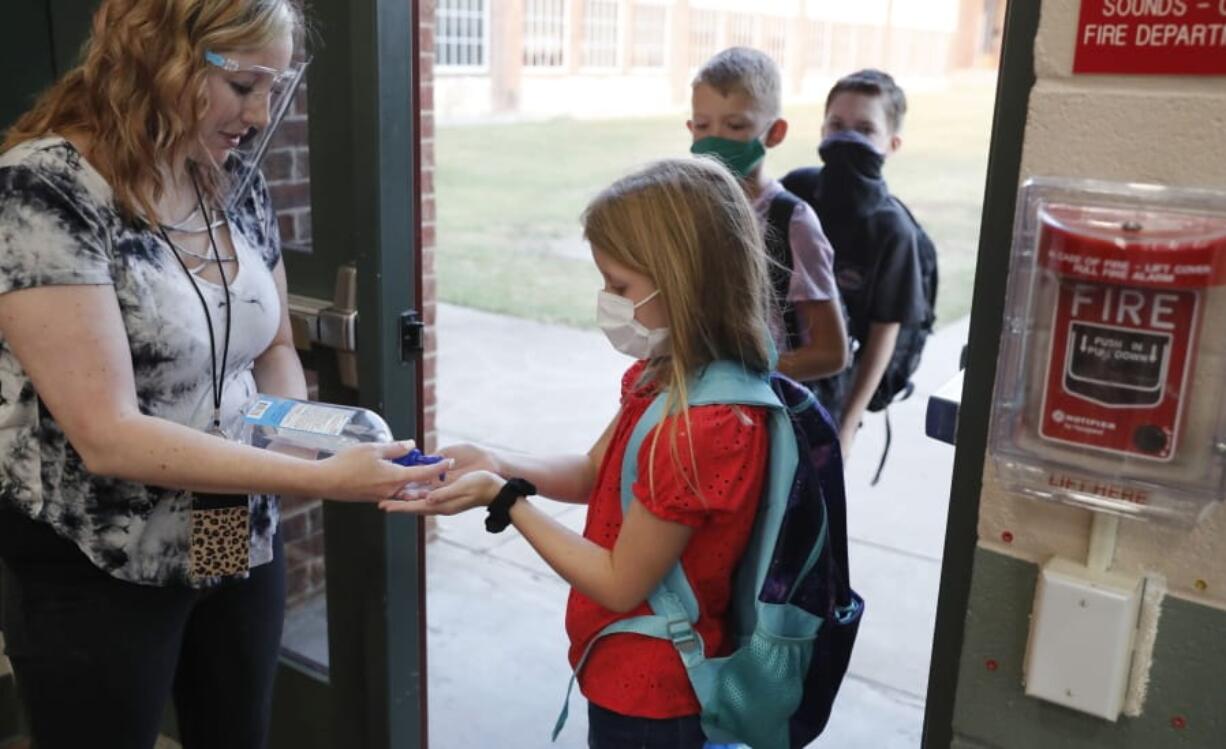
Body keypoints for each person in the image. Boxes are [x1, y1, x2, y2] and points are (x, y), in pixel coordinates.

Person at [0, 1, 440, 747]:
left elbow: (273, 348)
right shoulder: (43, 192)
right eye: (243, 85)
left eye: (276, 86)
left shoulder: (228, 181)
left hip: (225, 519)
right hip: (95, 553)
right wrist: (324, 480)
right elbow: (107, 435)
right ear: (159, 58)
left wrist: (297, 434)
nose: (261, 112)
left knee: (232, 723)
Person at [383, 158, 776, 749]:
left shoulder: (705, 428)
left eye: (620, 286)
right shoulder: (665, 377)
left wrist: (505, 500)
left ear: (686, 278)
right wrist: (498, 463)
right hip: (620, 667)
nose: (607, 300)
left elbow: (620, 583)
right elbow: (595, 472)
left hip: (657, 697)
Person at [782, 69, 928, 458]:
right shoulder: (795, 191)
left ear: (892, 144)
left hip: (830, 389)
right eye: (837, 125)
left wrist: (846, 426)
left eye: (865, 129)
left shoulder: (892, 230)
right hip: (774, 369)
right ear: (822, 131)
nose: (847, 138)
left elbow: (884, 335)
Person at [687, 47, 849, 386]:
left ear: (774, 133)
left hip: (765, 407)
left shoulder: (793, 223)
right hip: (700, 402)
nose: (715, 138)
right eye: (703, 125)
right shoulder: (688, 210)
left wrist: (740, 376)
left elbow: (831, 353)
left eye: (735, 125)